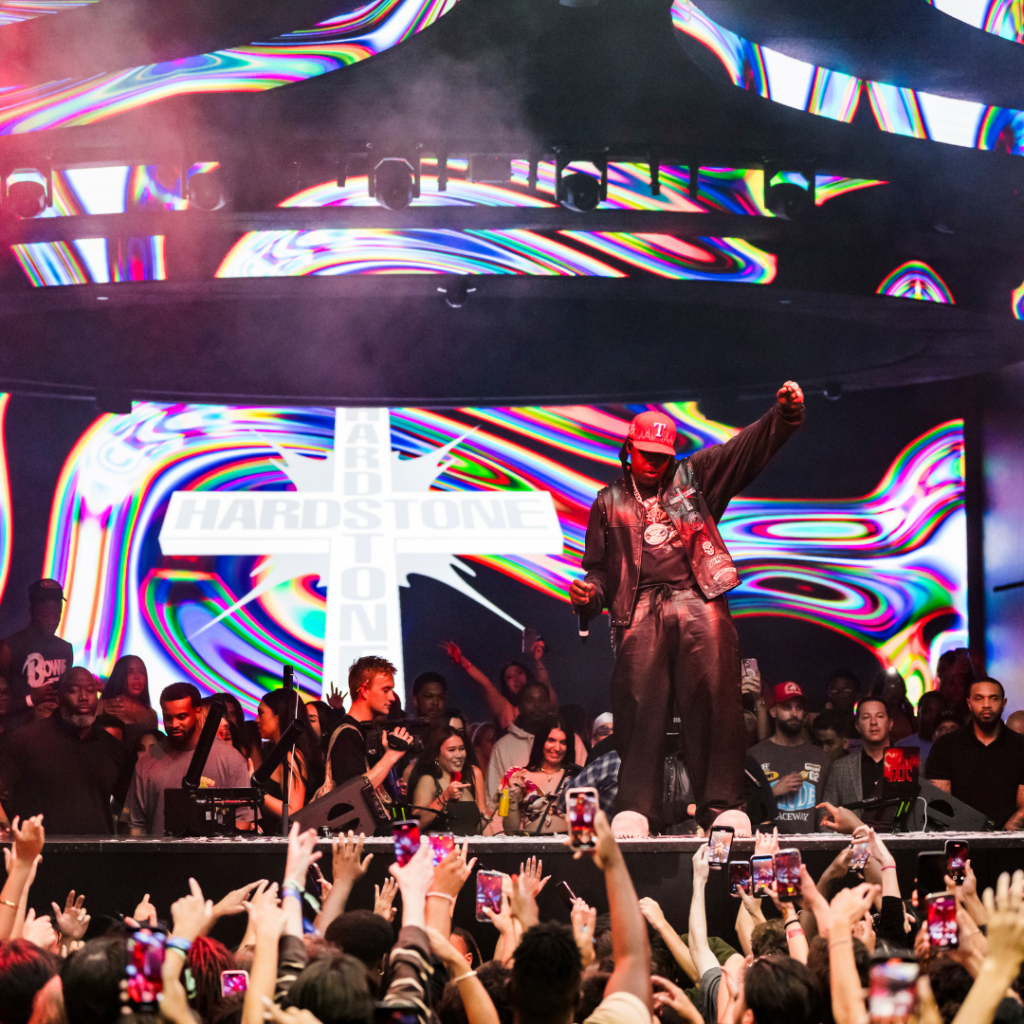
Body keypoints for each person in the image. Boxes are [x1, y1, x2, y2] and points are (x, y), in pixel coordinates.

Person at [570, 384, 805, 835]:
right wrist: (588, 594)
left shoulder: (693, 478)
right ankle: (638, 808)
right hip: (639, 607)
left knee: (716, 699)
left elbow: (743, 450)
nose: (655, 462)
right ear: (628, 449)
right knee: (637, 704)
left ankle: (722, 805)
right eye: (646, 453)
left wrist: (783, 416)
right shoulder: (608, 502)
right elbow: (599, 572)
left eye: (662, 454)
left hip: (698, 597)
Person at [0, 666, 133, 834]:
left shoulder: (112, 748)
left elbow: (131, 806)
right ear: (58, 698)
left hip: (98, 856)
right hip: (42, 856)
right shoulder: (27, 740)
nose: (84, 697)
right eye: (74, 691)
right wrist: (4, 827)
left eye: (90, 691)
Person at [126, 682, 253, 835]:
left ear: (198, 712)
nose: (174, 724)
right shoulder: (147, 762)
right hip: (159, 858)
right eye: (168, 718)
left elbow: (242, 820)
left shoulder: (231, 759)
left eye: (182, 717)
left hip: (212, 858)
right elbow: (137, 825)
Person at [926, 677, 1024, 829]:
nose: (986, 705)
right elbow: (939, 804)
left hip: (1011, 841)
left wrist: (1009, 829)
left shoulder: (1020, 746)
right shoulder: (946, 746)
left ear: (1003, 704)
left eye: (993, 698)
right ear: (969, 704)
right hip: (960, 840)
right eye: (979, 698)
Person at [318, 656, 412, 809]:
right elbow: (354, 792)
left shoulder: (367, 731)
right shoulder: (346, 733)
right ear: (365, 691)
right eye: (385, 690)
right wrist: (391, 756)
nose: (391, 697)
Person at [484, 680, 587, 808]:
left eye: (542, 700)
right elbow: (498, 802)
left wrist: (579, 824)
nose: (537, 705)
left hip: (568, 824)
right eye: (530, 700)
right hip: (519, 826)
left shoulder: (571, 740)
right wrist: (507, 825)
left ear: (549, 704)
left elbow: (585, 786)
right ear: (519, 706)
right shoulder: (503, 747)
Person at [748, 683, 830, 833]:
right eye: (787, 707)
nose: (794, 713)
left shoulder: (820, 757)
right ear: (773, 711)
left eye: (798, 708)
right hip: (768, 846)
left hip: (811, 847)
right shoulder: (755, 755)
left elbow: (828, 810)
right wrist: (772, 792)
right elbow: (744, 809)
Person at [441, 636, 558, 731]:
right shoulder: (507, 710)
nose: (516, 679)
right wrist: (462, 660)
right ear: (505, 685)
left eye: (520, 672)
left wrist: (538, 661)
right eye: (509, 677)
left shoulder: (543, 704)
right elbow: (486, 684)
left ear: (527, 674)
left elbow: (544, 687)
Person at [0, 579, 74, 722]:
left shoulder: (65, 649)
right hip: (18, 734)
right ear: (32, 609)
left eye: (57, 606)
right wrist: (30, 699)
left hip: (56, 733)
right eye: (46, 607)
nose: (52, 614)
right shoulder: (8, 648)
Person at [493, 714, 579, 834]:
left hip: (567, 848)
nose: (557, 748)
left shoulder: (577, 777)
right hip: (532, 848)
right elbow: (509, 831)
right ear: (540, 741)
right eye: (551, 740)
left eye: (563, 742)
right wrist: (513, 799)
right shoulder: (517, 776)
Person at [818, 696, 893, 828]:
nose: (873, 722)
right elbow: (826, 818)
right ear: (857, 726)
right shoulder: (841, 767)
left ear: (890, 723)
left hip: (900, 845)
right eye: (866, 717)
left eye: (880, 716)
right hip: (853, 846)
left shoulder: (913, 763)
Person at [255, 689, 322, 833]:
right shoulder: (279, 754)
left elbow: (292, 812)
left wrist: (258, 793)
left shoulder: (292, 756)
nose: (256, 720)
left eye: (261, 713)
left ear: (278, 716)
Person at [408, 723, 487, 833]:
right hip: (443, 849)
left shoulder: (468, 779)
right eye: (451, 750)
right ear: (436, 754)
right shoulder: (428, 780)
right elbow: (415, 825)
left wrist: (494, 805)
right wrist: (445, 796)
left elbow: (478, 829)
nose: (459, 755)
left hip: (469, 849)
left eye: (461, 748)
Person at [98, 655, 158, 748]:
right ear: (120, 675)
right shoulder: (105, 706)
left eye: (141, 672)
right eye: (130, 672)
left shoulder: (151, 714)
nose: (137, 677)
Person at [896, 690, 948, 760]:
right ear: (918, 714)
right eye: (927, 711)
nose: (933, 716)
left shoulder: (954, 747)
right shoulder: (902, 747)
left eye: (938, 712)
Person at [869, 669, 915, 743]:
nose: (895, 690)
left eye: (898, 685)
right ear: (880, 689)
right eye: (890, 685)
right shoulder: (870, 716)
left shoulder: (909, 715)